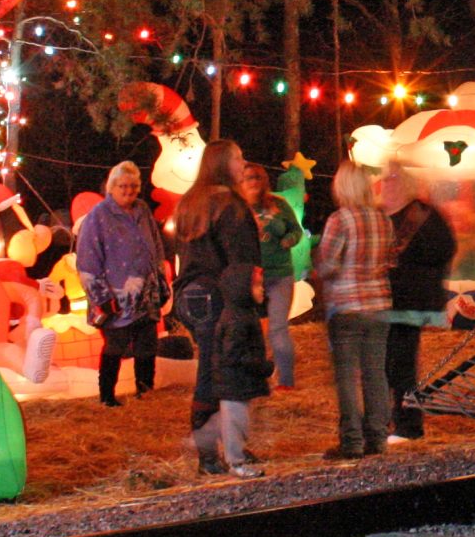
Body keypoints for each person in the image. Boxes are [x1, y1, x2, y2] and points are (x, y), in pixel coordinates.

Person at [171, 140, 265, 479]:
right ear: (223, 164)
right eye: (238, 158)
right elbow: (240, 262)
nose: (244, 164)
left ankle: (224, 446)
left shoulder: (190, 202)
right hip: (217, 295)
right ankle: (210, 454)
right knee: (220, 374)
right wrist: (250, 303)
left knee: (211, 369)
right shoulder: (230, 206)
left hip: (190, 295)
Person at [309, 160, 394, 459]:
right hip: (380, 304)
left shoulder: (340, 219)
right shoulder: (383, 219)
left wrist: (317, 262)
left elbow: (329, 265)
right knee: (375, 373)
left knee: (346, 376)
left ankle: (352, 441)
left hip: (347, 306)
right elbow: (389, 259)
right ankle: (378, 438)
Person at [74, 160, 170, 405]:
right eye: (123, 186)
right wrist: (102, 297)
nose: (129, 191)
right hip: (115, 298)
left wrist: (160, 280)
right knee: (115, 346)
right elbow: (87, 260)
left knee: (147, 345)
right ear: (112, 187)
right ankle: (107, 397)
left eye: (134, 186)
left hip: (145, 295)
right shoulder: (97, 217)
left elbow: (156, 247)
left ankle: (145, 393)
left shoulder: (142, 210)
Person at [380, 172, 456, 444]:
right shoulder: (384, 214)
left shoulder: (421, 215)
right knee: (387, 364)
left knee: (401, 365)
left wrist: (408, 263)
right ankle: (393, 419)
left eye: (391, 180)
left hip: (409, 301)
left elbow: (444, 248)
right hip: (387, 299)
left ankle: (408, 425)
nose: (385, 185)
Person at [242, 165, 304, 392]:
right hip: (250, 277)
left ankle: (285, 381)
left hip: (279, 274)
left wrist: (288, 238)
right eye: (248, 178)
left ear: (265, 180)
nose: (253, 182)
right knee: (250, 330)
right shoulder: (238, 207)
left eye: (257, 177)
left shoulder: (279, 205)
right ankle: (255, 379)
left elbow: (296, 230)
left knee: (277, 328)